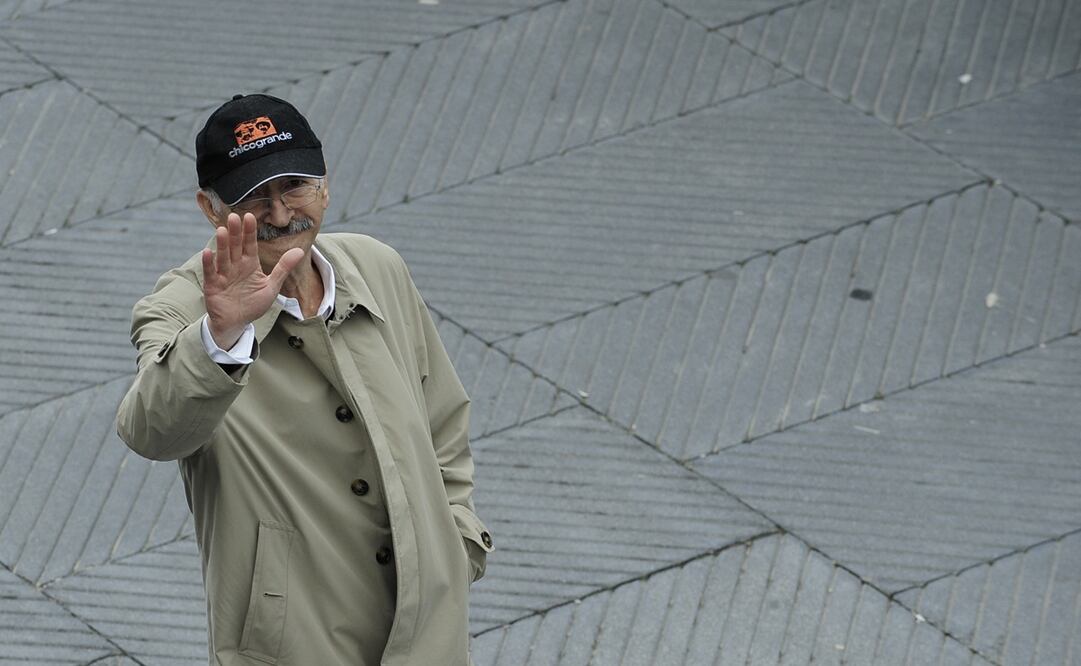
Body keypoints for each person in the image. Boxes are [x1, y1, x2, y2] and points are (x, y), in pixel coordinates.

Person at [116, 93, 493, 665]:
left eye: (294, 185)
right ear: (210, 209)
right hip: (294, 645)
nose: (278, 213)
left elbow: (442, 420)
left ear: (325, 185)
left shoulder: (377, 265)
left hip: (429, 631)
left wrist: (456, 540)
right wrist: (223, 334)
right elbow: (150, 430)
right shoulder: (182, 307)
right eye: (253, 197)